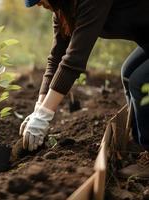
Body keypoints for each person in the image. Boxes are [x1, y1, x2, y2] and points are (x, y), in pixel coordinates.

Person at [21, 0, 149, 178]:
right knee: (128, 73)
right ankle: (140, 141)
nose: (38, 4)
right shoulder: (63, 10)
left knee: (140, 81)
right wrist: (38, 108)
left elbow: (74, 60)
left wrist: (44, 116)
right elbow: (56, 57)